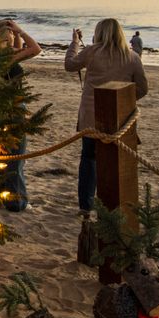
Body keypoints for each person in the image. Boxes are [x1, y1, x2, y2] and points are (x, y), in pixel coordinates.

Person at [65, 18, 148, 216]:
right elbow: (142, 88)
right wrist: (124, 101)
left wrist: (75, 42)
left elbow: (70, 65)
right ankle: (113, 205)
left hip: (92, 115)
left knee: (89, 159)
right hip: (119, 117)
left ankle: (86, 205)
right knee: (115, 160)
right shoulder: (132, 57)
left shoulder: (92, 52)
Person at [0, 19, 41, 212]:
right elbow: (35, 49)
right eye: (9, 34)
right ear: (3, 37)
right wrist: (22, 31)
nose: (13, 37)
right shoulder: (8, 57)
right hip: (13, 108)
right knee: (16, 156)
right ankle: (16, 201)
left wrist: (15, 35)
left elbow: (18, 49)